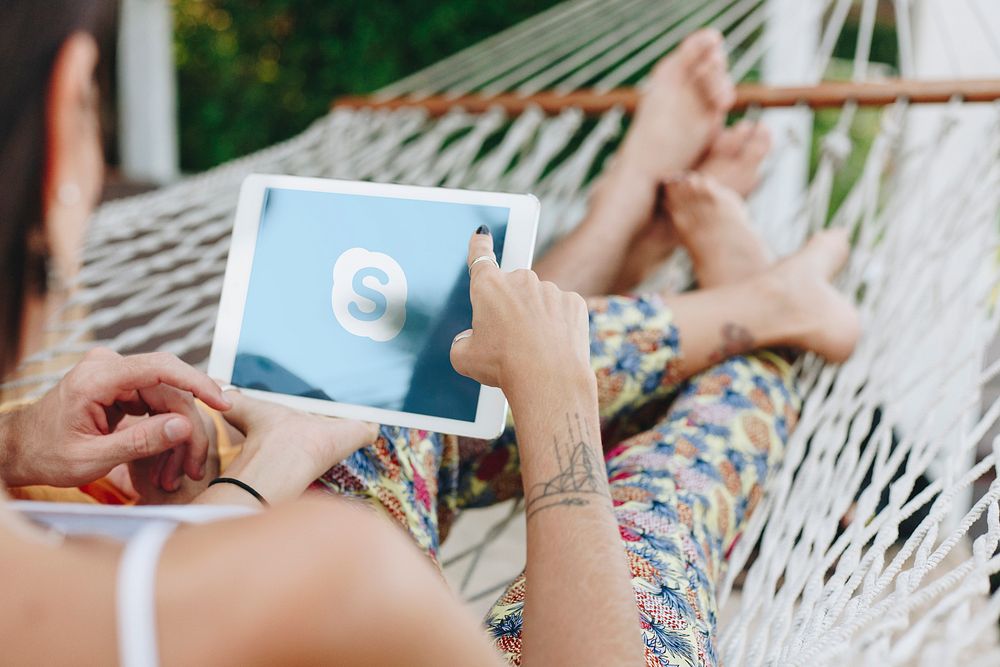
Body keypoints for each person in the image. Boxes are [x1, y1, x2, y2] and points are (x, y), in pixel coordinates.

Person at [0, 2, 861, 664]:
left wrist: (13, 445)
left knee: (402, 399)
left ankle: (661, 251)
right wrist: (556, 407)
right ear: (67, 116)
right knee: (657, 504)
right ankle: (767, 323)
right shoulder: (331, 580)